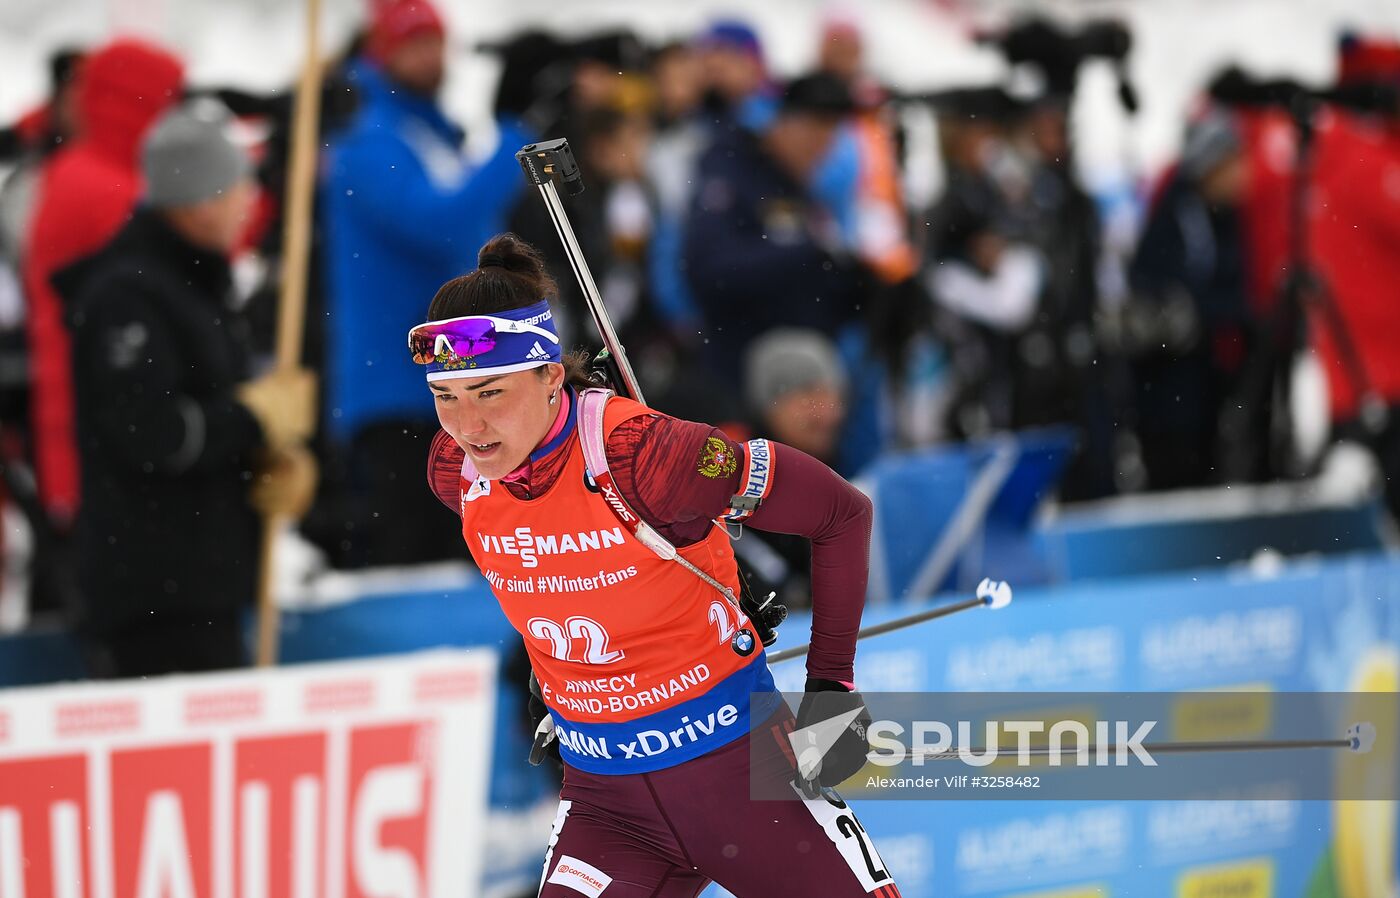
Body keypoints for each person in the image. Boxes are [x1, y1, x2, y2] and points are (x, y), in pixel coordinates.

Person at [417, 234, 896, 897]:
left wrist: (832, 691)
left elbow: (842, 513)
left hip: (747, 779)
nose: (468, 425)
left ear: (552, 375)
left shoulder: (648, 457)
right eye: (447, 397)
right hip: (609, 807)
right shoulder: (456, 472)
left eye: (491, 393)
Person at [59, 101, 316, 678]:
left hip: (204, 583)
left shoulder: (195, 283)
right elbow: (148, 433)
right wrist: (251, 420)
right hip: (153, 597)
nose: (251, 198)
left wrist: (260, 467)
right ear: (199, 199)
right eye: (238, 184)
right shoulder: (128, 296)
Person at [319, 0, 528, 566]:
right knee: (417, 557)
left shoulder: (427, 134)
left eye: (435, 42)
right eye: (412, 44)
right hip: (394, 387)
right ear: (382, 53)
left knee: (468, 548)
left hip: (451, 377)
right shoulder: (369, 139)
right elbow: (439, 222)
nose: (429, 57)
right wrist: (515, 136)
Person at [22, 39, 185, 533]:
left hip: (95, 414)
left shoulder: (96, 173)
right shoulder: (100, 184)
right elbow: (186, 247)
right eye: (168, 99)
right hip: (95, 424)